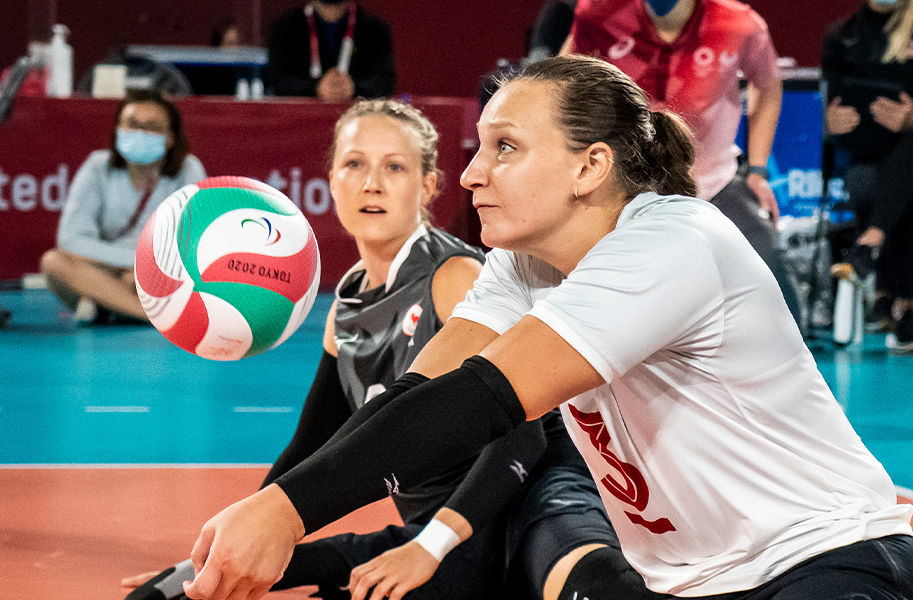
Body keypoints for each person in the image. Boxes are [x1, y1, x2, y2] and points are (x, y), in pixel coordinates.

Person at [175, 55, 913, 600]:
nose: (472, 174)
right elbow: (415, 398)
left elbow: (482, 400)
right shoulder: (526, 267)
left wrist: (285, 512)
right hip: (694, 586)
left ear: (590, 166)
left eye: (504, 147)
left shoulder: (674, 241)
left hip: (831, 566)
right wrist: (270, 519)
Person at [121, 98, 648, 600]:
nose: (371, 183)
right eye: (354, 164)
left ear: (428, 186)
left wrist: (430, 546)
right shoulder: (346, 302)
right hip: (436, 531)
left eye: (394, 168)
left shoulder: (456, 277)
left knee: (588, 587)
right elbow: (311, 446)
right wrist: (235, 542)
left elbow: (523, 439)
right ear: (330, 182)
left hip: (531, 498)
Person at [561, 0, 800, 320]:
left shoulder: (740, 24)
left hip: (714, 183)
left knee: (771, 277)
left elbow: (768, 86)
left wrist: (757, 170)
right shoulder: (600, 14)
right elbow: (562, 87)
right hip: (625, 186)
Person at [822, 0, 913, 353]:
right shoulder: (841, 36)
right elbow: (825, 115)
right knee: (910, 185)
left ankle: (872, 250)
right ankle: (905, 311)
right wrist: (830, 124)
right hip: (876, 160)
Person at [39, 89, 206, 325]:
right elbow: (70, 240)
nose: (139, 133)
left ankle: (101, 302)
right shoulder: (97, 167)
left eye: (151, 127)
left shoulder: (188, 170)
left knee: (137, 279)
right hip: (105, 267)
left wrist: (138, 269)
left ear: (170, 137)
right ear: (118, 129)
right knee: (53, 263)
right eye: (131, 124)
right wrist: (129, 262)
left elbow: (188, 243)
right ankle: (148, 315)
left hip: (159, 271)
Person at [265, 0, 396, 101]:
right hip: (300, 122)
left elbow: (385, 83)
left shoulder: (375, 31)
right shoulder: (285, 30)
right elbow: (277, 82)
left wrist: (354, 87)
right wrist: (316, 88)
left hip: (359, 122)